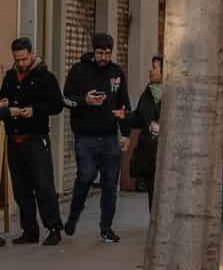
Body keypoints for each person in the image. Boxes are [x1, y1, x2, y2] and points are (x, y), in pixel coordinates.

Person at [62, 33, 132, 243]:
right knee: (85, 177)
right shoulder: (79, 70)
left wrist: (126, 133)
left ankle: (106, 228)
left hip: (110, 137)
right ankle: (73, 217)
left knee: (110, 184)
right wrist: (85, 100)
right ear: (93, 51)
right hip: (85, 137)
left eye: (108, 53)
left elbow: (123, 105)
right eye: (101, 53)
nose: (104, 57)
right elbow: (65, 99)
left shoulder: (116, 72)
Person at [0, 37, 64, 245]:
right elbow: (2, 101)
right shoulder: (9, 77)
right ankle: (29, 230)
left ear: (32, 54)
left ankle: (53, 228)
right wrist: (5, 108)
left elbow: (56, 105)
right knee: (20, 187)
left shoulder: (46, 77)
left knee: (43, 185)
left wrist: (34, 111)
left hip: (36, 139)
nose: (20, 63)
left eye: (24, 59)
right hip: (13, 139)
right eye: (17, 60)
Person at [129, 56, 164, 209]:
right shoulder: (148, 92)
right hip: (149, 150)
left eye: (155, 68)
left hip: (164, 150)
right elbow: (139, 118)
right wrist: (124, 116)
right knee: (152, 189)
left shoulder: (173, 93)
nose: (151, 70)